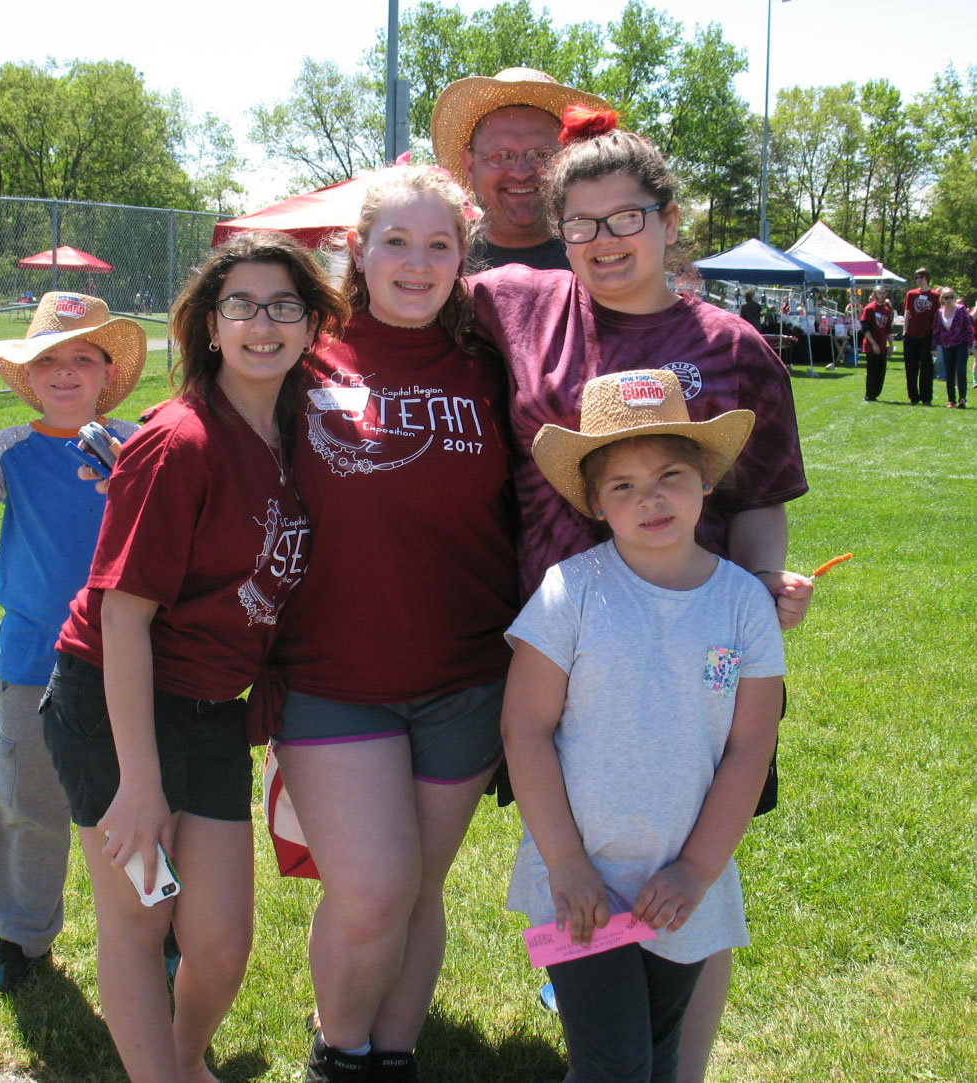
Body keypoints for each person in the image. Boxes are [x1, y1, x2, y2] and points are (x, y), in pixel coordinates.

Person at [468, 107, 811, 1083]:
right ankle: (593, 1004)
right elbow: (383, 315)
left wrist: (756, 594)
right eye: (580, 223)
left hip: (695, 653)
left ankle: (671, 1068)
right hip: (562, 648)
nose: (603, 241)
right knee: (569, 850)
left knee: (693, 860)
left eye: (625, 218)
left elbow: (759, 502)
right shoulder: (520, 305)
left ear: (668, 222)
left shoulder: (734, 347)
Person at [40, 233, 348, 1083]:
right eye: (240, 305)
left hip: (210, 712)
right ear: (209, 327)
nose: (262, 322)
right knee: (142, 917)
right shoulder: (178, 442)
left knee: (218, 940)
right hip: (113, 705)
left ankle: (181, 1061)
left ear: (310, 325)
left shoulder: (297, 431)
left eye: (284, 305)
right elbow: (124, 618)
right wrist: (138, 784)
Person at [270, 165, 519, 1083]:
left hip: (467, 674)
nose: (417, 263)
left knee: (418, 885)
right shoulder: (304, 357)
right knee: (372, 885)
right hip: (332, 673)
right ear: (357, 251)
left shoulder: (490, 364)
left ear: (464, 258)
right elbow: (211, 437)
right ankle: (337, 1054)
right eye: (397, 242)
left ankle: (392, 1055)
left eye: (440, 244)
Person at [502, 368, 785, 1083]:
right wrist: (565, 863)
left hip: (683, 883)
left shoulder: (743, 604)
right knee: (614, 1065)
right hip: (577, 881)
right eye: (621, 485)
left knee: (656, 1062)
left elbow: (751, 745)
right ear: (594, 503)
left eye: (668, 475)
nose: (649, 497)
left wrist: (697, 868)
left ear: (705, 482)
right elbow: (523, 732)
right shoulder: (569, 592)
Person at [0, 292, 146, 992]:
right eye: (47, 359)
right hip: (35, 662)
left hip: (130, 659)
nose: (65, 372)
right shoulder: (10, 448)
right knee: (28, 804)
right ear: (26, 375)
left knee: (138, 802)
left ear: (106, 373)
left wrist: (126, 483)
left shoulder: (135, 440)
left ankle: (156, 926)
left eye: (83, 358)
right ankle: (22, 935)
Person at [431, 67, 609, 271]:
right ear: (470, 164)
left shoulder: (600, 262)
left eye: (542, 155)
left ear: (566, 162)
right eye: (502, 156)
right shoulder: (440, 270)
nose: (521, 172)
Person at [902, 268, 939, 405]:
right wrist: (905, 332)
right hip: (911, 335)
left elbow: (936, 317)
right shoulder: (911, 294)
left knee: (926, 369)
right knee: (911, 368)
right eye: (916, 277)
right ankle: (913, 397)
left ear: (927, 278)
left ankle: (926, 397)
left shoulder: (934, 295)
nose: (918, 280)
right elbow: (907, 313)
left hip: (927, 336)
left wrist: (935, 336)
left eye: (921, 277)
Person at [932, 287, 972, 409]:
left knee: (960, 371)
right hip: (946, 345)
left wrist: (970, 345)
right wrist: (934, 346)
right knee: (949, 373)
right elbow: (937, 330)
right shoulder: (939, 313)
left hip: (961, 344)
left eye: (951, 297)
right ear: (942, 299)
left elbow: (968, 328)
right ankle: (951, 400)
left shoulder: (961, 310)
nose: (949, 300)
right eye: (946, 297)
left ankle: (962, 399)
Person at [860, 287, 894, 403]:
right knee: (872, 371)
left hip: (882, 346)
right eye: (880, 293)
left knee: (881, 372)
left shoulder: (886, 310)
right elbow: (865, 329)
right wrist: (873, 343)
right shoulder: (869, 309)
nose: (882, 295)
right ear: (875, 294)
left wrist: (891, 345)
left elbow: (888, 329)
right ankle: (869, 395)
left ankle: (875, 394)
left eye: (884, 292)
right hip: (872, 346)